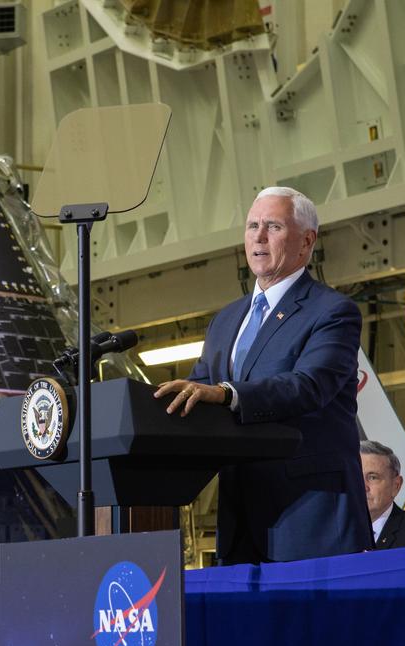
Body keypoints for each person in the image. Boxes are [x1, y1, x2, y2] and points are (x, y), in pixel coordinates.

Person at [154, 187, 370, 563]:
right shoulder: (225, 321)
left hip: (310, 517)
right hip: (240, 518)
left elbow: (309, 386)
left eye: (273, 226)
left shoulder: (333, 311)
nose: (259, 237)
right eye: (252, 226)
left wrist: (227, 393)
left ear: (307, 241)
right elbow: (198, 389)